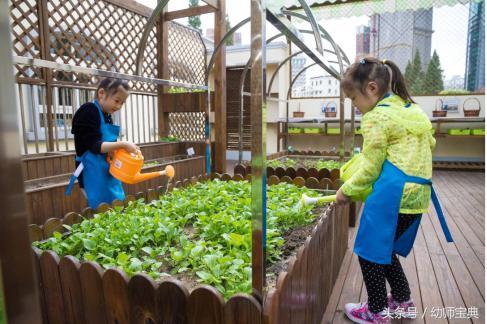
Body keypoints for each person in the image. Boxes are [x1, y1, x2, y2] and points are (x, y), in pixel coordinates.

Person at [335, 57, 453, 324]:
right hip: (419, 193)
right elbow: (430, 142)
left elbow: (371, 167)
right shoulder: (410, 108)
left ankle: (376, 312)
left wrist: (347, 190)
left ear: (372, 88)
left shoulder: (376, 116)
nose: (355, 106)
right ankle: (402, 301)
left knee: (369, 251)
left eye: (354, 98)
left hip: (393, 195)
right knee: (385, 250)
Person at [65, 78, 138, 208]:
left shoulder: (106, 114)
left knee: (116, 204)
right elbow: (94, 146)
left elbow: (105, 145)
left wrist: (115, 151)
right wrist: (122, 144)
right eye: (116, 100)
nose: (118, 106)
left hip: (106, 168)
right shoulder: (88, 111)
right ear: (102, 93)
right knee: (101, 209)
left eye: (122, 103)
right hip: (91, 170)